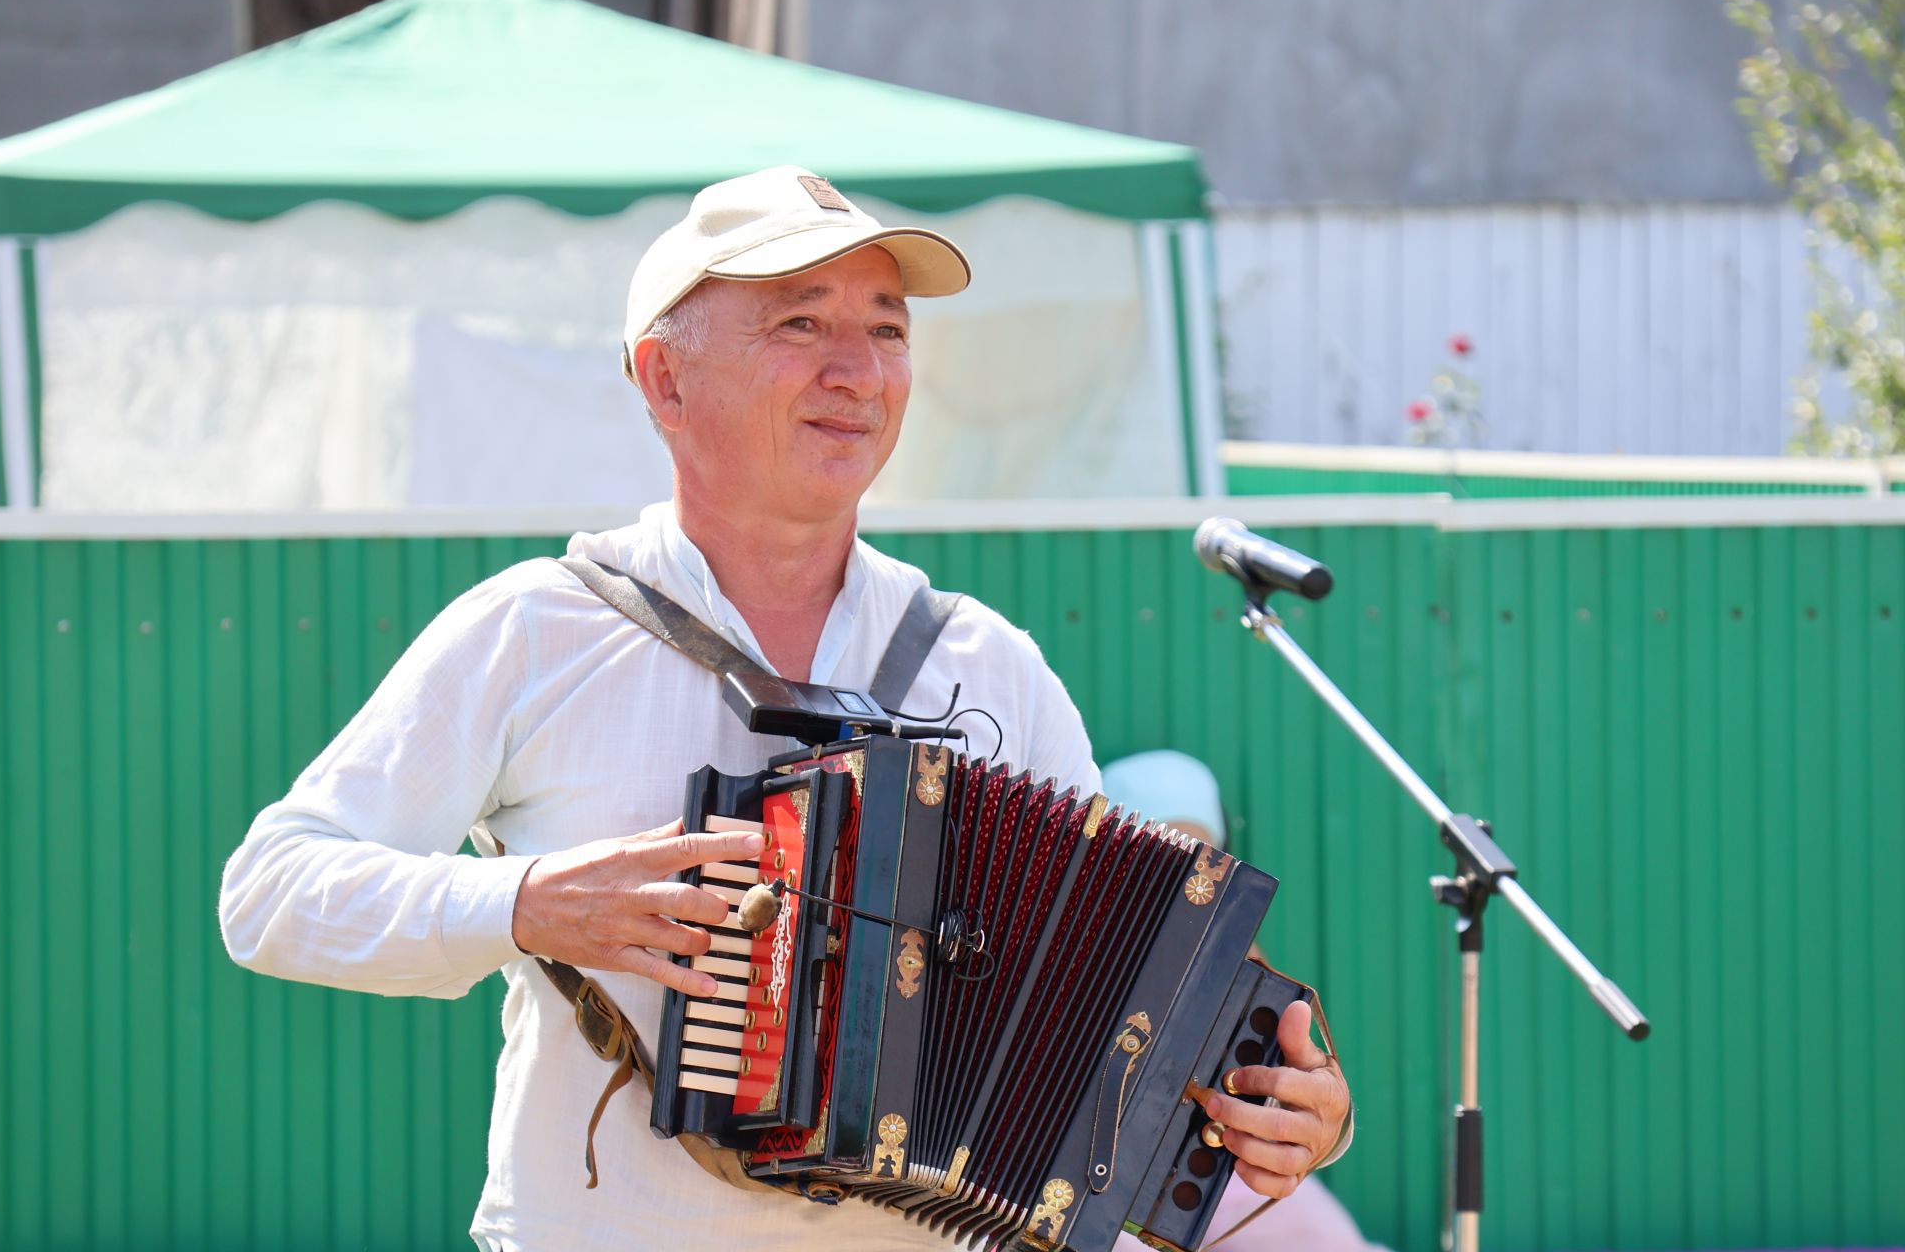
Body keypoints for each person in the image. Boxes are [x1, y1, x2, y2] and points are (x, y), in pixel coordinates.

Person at [219, 166, 1352, 1252]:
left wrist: (1284, 1107)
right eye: (801, 324)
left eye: (889, 328)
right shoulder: (537, 628)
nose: (858, 369)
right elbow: (269, 890)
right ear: (664, 379)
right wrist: (525, 900)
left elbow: (1119, 1002)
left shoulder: (986, 660)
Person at [1102, 752, 1381, 1252]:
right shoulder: (1085, 945)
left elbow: (1284, 1091)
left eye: (1207, 860)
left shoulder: (1241, 955)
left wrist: (1319, 1127)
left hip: (1208, 1167)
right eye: (1170, 859)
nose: (1195, 883)